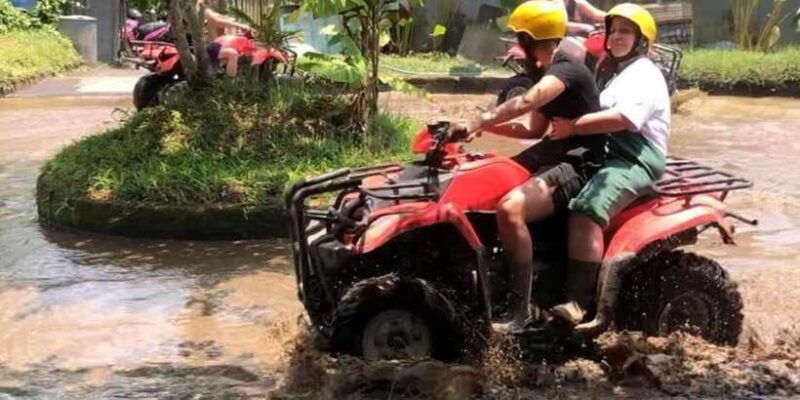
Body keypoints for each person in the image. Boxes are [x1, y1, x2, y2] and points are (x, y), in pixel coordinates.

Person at [452, 0, 606, 332]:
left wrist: (483, 116)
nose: (518, 43)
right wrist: (484, 127)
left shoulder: (567, 70)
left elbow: (527, 101)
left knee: (510, 209)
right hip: (552, 150)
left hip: (579, 162)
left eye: (520, 37)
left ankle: (519, 310)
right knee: (485, 184)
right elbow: (533, 130)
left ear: (532, 37)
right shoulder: (545, 70)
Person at [548, 3, 670, 326]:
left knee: (586, 209)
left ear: (641, 40)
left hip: (635, 157)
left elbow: (625, 120)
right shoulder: (615, 72)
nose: (616, 37)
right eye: (613, 30)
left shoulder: (644, 74)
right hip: (608, 152)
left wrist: (573, 126)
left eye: (625, 32)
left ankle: (579, 304)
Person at [199, 0, 256, 76]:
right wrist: (239, 25)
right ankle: (231, 83)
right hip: (206, 45)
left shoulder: (208, 9)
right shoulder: (203, 9)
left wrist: (232, 21)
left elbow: (220, 17)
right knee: (232, 53)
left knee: (234, 52)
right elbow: (218, 22)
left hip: (211, 44)